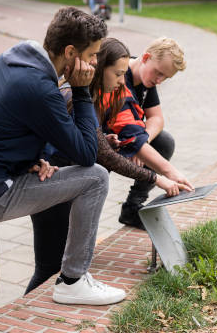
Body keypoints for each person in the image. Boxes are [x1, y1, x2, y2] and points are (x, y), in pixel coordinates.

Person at [0, 7, 126, 326]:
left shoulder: (16, 55)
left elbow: (2, 123)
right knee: (94, 178)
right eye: (93, 55)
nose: (95, 63)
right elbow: (85, 154)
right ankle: (73, 281)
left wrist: (30, 159)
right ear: (70, 52)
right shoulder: (41, 88)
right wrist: (82, 91)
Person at [26, 37, 191, 294]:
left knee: (56, 264)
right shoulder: (76, 97)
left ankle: (65, 289)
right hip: (52, 181)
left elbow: (96, 145)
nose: (124, 82)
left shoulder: (93, 96)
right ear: (100, 67)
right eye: (118, 74)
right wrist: (159, 177)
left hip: (68, 180)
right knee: (49, 267)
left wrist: (109, 141)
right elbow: (102, 155)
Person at [109, 37, 190, 229]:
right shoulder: (119, 77)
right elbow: (127, 131)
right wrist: (138, 146)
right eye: (159, 73)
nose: (159, 81)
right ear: (145, 57)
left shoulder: (147, 80)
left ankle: (132, 207)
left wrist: (142, 141)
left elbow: (157, 119)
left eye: (165, 78)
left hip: (127, 136)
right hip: (104, 140)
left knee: (164, 142)